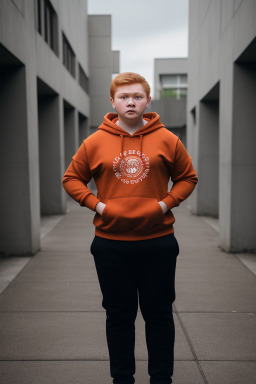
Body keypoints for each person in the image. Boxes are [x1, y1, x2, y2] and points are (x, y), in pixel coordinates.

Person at [62, 72, 198, 384]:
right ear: (113, 102)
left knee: (159, 316)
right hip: (110, 244)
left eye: (137, 96)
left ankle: (161, 378)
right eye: (124, 97)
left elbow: (188, 177)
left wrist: (163, 205)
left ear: (148, 100)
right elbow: (71, 179)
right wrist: (99, 206)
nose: (131, 102)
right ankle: (122, 379)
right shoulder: (94, 142)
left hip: (158, 241)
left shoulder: (168, 139)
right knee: (119, 317)